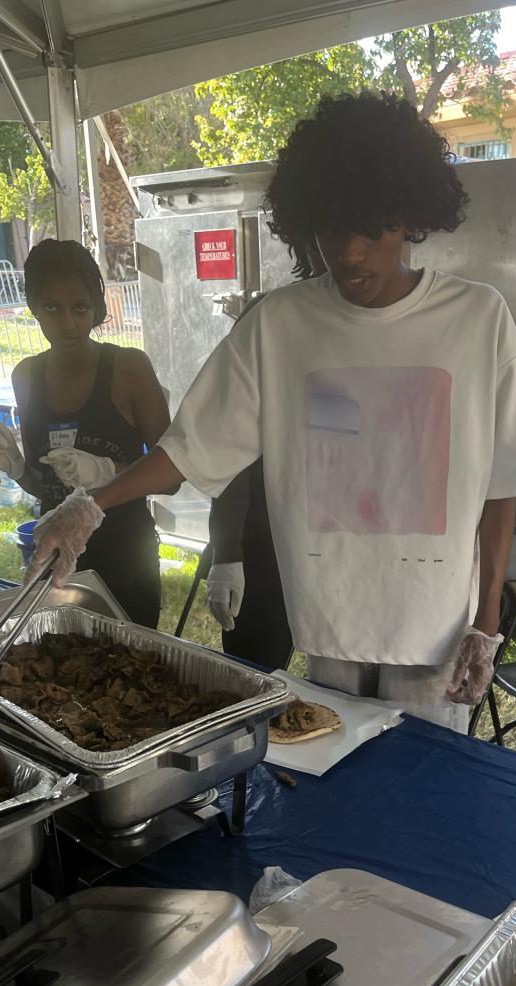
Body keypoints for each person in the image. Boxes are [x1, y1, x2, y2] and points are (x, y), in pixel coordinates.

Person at [29, 93, 516, 730]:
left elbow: (502, 482)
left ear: (411, 217)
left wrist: (487, 619)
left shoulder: (478, 319)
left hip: (437, 631)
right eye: (331, 230)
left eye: (373, 229)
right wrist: (90, 506)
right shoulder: (279, 326)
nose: (351, 252)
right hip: (331, 624)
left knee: (422, 783)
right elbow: (189, 447)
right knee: (332, 768)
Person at [0, 239, 169, 627]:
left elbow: (173, 476)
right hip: (55, 553)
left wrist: (106, 472)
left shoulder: (127, 368)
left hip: (124, 555)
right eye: (52, 308)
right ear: (34, 307)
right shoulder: (26, 376)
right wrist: (14, 467)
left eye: (79, 308)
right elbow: (46, 486)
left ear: (96, 307)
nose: (67, 323)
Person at [205, 242, 324, 669]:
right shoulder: (270, 321)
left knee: (348, 692)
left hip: (351, 542)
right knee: (254, 671)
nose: (350, 252)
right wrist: (227, 550)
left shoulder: (396, 331)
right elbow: (230, 442)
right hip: (265, 540)